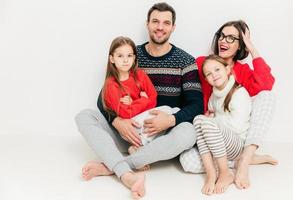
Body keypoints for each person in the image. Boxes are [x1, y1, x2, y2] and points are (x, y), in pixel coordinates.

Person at [75, 2, 203, 199]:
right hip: (128, 131)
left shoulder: (186, 61)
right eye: (155, 21)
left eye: (166, 22)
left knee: (188, 133)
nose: (160, 27)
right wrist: (118, 122)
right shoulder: (131, 55)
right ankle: (127, 167)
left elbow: (196, 105)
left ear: (173, 27)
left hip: (160, 136)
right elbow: (104, 99)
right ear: (147, 24)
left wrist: (170, 121)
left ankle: (114, 166)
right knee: (84, 116)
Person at [180, 20, 278, 190]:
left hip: (232, 134)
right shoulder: (203, 63)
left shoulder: (243, 71)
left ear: (241, 46)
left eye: (231, 38)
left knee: (267, 96)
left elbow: (266, 83)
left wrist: (252, 49)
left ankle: (244, 161)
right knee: (187, 162)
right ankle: (235, 160)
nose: (223, 41)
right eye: (222, 36)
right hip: (207, 132)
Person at [102, 36, 179, 164]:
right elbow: (124, 114)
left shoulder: (139, 75)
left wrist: (133, 103)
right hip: (130, 128)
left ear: (134, 58)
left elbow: (153, 98)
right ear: (112, 59)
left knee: (172, 111)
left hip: (143, 122)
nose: (125, 60)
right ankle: (140, 146)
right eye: (120, 56)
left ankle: (139, 146)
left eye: (129, 56)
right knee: (168, 110)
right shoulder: (111, 84)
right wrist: (143, 100)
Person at [194, 54, 252, 195]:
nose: (214, 75)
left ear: (227, 69)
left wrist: (213, 119)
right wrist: (210, 118)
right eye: (209, 74)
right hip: (221, 143)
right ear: (207, 79)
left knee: (206, 122)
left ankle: (225, 173)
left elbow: (237, 126)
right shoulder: (214, 96)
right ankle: (211, 174)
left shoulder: (239, 93)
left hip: (237, 143)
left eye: (217, 69)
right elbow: (211, 115)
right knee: (198, 119)